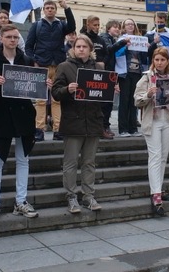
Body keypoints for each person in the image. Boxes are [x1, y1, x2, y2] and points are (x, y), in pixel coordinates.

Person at [0, 24, 41, 222]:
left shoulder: (28, 60)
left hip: (23, 115)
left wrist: (42, 84)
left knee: (23, 160)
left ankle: (21, 201)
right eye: (9, 37)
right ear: (1, 38)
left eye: (15, 37)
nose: (13, 40)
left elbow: (34, 88)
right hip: (2, 116)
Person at [134, 47, 169, 216]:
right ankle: (155, 195)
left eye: (162, 60)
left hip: (168, 121)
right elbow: (137, 100)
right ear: (153, 60)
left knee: (163, 157)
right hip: (152, 122)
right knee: (155, 156)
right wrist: (148, 95)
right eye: (156, 59)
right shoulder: (147, 77)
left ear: (168, 62)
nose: (159, 63)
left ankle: (158, 188)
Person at [52, 35, 104, 214]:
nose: (81, 49)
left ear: (90, 50)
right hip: (73, 121)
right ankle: (71, 196)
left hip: (93, 121)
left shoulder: (99, 67)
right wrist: (68, 89)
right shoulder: (64, 67)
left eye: (84, 47)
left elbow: (104, 94)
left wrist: (112, 90)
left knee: (89, 162)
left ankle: (89, 195)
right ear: (73, 48)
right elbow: (55, 93)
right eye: (78, 46)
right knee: (71, 162)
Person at [25, 0, 76, 142]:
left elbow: (72, 26)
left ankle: (58, 130)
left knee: (57, 100)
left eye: (52, 8)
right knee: (40, 100)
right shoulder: (37, 25)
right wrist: (34, 61)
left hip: (58, 65)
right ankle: (39, 129)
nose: (49, 10)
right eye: (47, 8)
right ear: (43, 10)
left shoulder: (61, 25)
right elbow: (28, 47)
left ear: (55, 10)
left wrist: (67, 8)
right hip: (41, 66)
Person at [116, 18, 146, 138]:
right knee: (124, 101)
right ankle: (123, 129)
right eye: (127, 24)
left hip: (137, 72)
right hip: (125, 73)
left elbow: (144, 57)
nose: (130, 26)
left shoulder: (140, 39)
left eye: (132, 24)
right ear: (124, 27)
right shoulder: (121, 39)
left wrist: (148, 46)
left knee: (134, 100)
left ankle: (133, 128)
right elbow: (117, 53)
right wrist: (124, 45)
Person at [100, 20, 121, 139]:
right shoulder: (105, 37)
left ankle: (106, 126)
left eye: (118, 27)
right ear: (108, 29)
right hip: (105, 72)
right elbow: (109, 49)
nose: (117, 29)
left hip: (111, 72)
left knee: (108, 102)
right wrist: (123, 42)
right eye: (115, 27)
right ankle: (103, 127)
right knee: (105, 103)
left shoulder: (113, 39)